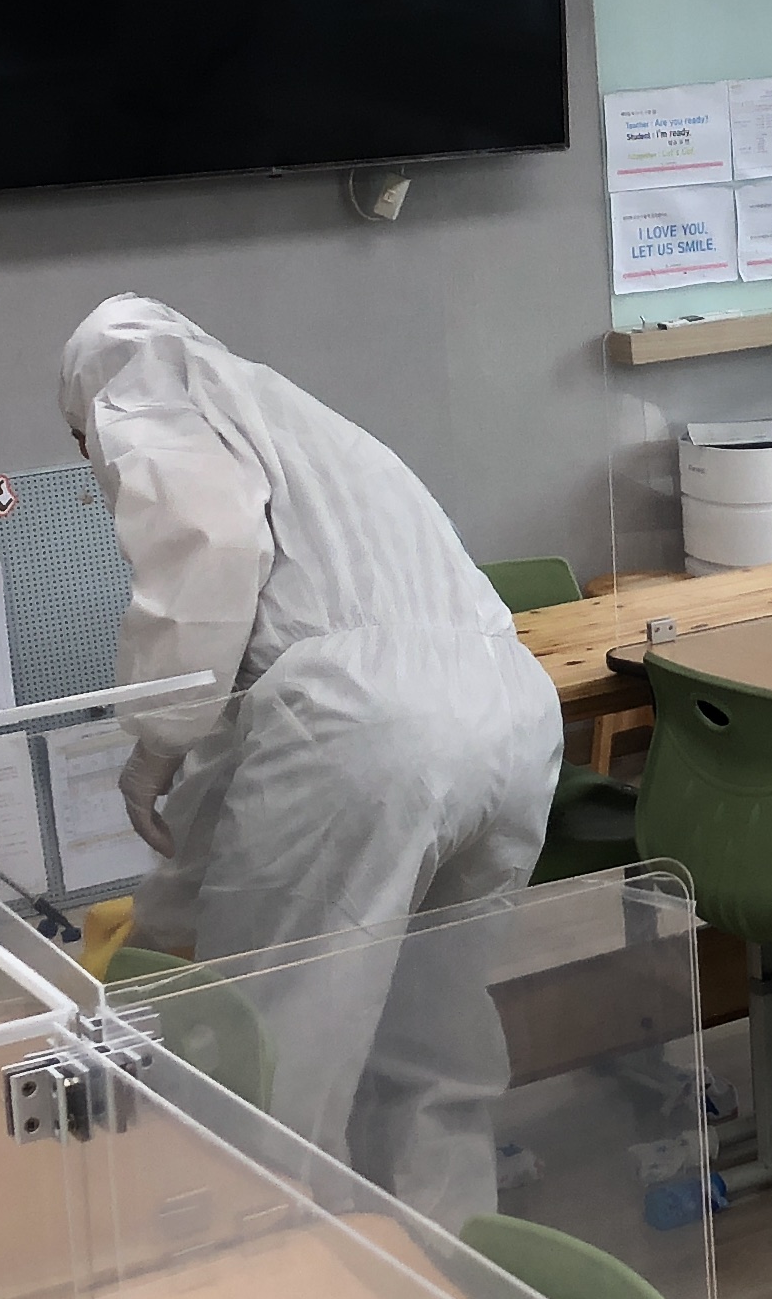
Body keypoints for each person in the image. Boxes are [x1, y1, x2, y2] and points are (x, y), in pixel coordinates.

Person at [61, 295, 552, 1215]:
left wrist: (157, 738)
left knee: (282, 1064)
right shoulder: (293, 422)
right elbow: (257, 788)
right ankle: (454, 1273)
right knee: (433, 1044)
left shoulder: (136, 386)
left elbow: (211, 554)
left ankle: (286, 1270)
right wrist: (171, 897)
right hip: (514, 708)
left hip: (373, 728)